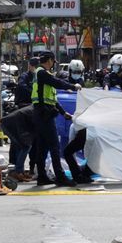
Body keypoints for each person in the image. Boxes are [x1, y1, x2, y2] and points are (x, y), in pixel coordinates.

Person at [32, 51, 82, 186]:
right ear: (49, 60)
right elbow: (57, 83)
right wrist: (73, 86)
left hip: (43, 113)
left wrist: (63, 112)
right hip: (44, 114)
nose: (53, 64)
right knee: (55, 145)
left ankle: (42, 176)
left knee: (43, 147)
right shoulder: (42, 73)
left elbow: (52, 98)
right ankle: (60, 177)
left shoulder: (43, 75)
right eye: (53, 61)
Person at [1, 105, 36, 182]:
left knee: (19, 146)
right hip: (11, 125)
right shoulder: (37, 111)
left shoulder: (34, 108)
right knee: (26, 146)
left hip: (7, 123)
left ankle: (19, 171)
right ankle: (18, 171)